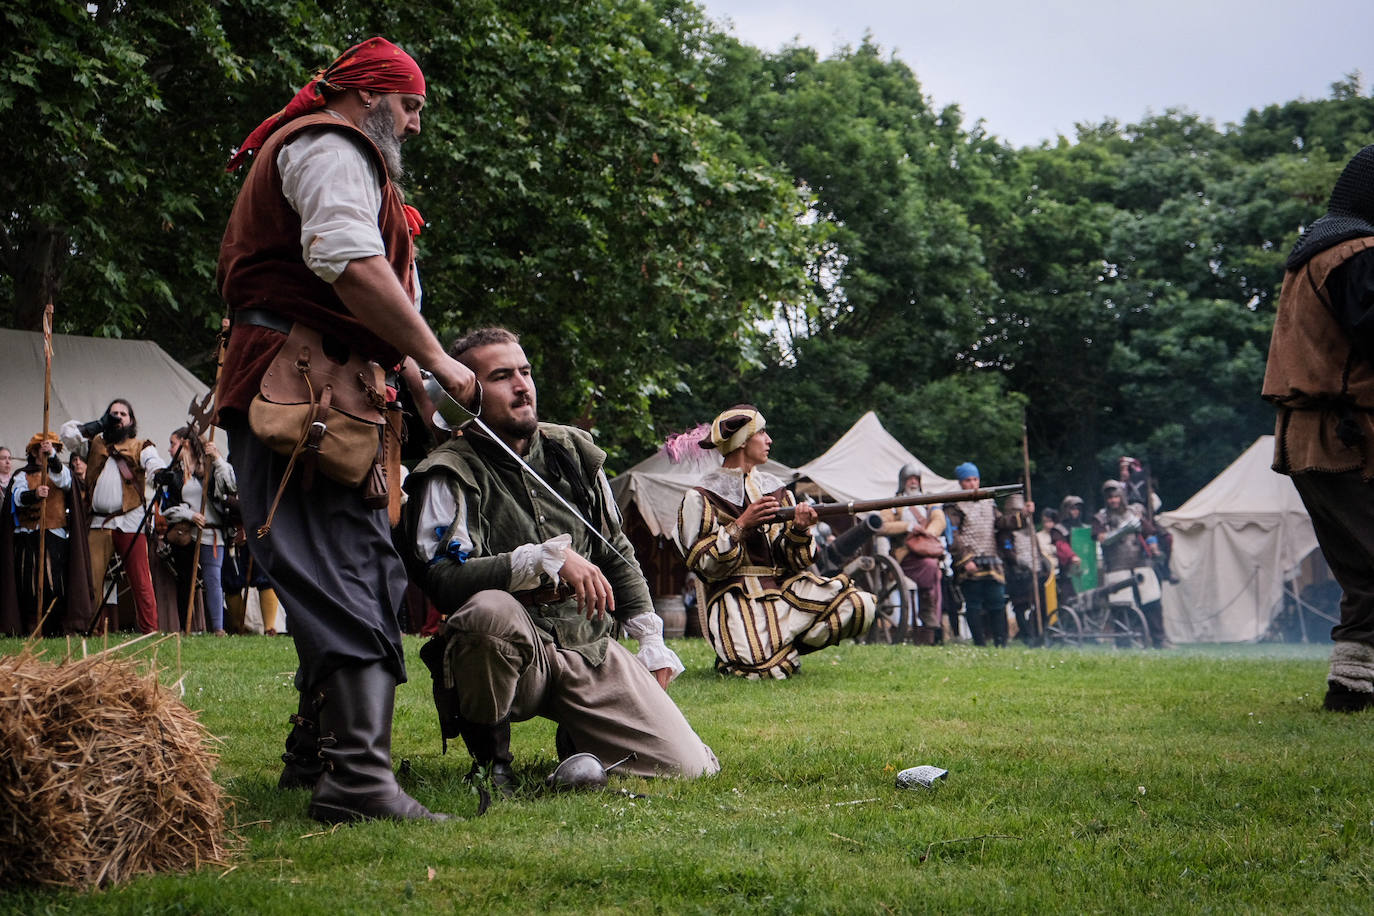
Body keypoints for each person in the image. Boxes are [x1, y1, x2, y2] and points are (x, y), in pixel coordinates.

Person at [216, 36, 477, 823]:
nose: (416, 125)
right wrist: (433, 356)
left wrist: (408, 380)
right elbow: (348, 263)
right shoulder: (331, 144)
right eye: (412, 106)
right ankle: (358, 782)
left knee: (353, 567)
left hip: (333, 389)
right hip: (301, 392)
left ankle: (317, 758)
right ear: (370, 97)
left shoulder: (340, 149)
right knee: (351, 571)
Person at [406, 328, 718, 786]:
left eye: (525, 372)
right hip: (515, 649)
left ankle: (581, 738)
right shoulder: (447, 471)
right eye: (500, 376)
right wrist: (536, 560)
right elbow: (441, 579)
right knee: (486, 613)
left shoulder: (572, 451)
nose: (522, 385)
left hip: (588, 645)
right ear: (463, 393)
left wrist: (649, 634)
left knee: (689, 770)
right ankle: (494, 765)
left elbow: (617, 551)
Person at [1261, 143, 1374, 711]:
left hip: (1314, 436)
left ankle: (1351, 690)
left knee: (1365, 572)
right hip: (1348, 436)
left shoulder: (1320, 251)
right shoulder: (1357, 253)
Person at [679, 406, 874, 679]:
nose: (769, 440)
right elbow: (704, 565)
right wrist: (741, 525)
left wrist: (799, 530)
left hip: (785, 591)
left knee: (860, 605)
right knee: (758, 670)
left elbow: (797, 561)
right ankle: (759, 654)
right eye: (762, 432)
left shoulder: (777, 489)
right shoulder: (701, 497)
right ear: (743, 441)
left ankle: (781, 649)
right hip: (735, 597)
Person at [60, 399, 164, 634]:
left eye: (123, 414)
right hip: (98, 522)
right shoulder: (94, 444)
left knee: (140, 580)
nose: (118, 417)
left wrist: (160, 475)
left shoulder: (141, 446)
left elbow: (154, 463)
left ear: (131, 420)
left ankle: (150, 630)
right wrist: (97, 425)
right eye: (113, 413)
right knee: (91, 580)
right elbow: (67, 436)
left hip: (130, 520)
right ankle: (90, 629)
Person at [157, 427, 237, 636]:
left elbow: (230, 486)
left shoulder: (209, 467)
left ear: (186, 444)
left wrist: (218, 458)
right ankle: (187, 628)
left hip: (212, 533)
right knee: (185, 580)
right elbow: (166, 507)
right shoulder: (174, 475)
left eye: (173, 443)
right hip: (187, 533)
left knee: (213, 580)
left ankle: (218, 628)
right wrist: (189, 515)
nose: (169, 448)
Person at [7, 434, 73, 635]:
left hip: (54, 534)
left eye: (50, 449)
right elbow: (17, 497)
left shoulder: (60, 473)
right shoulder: (21, 475)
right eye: (42, 449)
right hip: (28, 535)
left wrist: (51, 455)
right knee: (29, 584)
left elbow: (65, 481)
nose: (44, 453)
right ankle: (31, 628)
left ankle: (53, 628)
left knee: (53, 583)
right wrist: (35, 495)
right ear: (33, 451)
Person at [1092, 479, 1171, 649]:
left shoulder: (1135, 513)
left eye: (1115, 497)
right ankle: (1123, 643)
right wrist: (1124, 530)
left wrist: (1154, 548)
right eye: (1109, 498)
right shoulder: (1101, 518)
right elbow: (1102, 540)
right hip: (1116, 566)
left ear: (1121, 496)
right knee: (1120, 607)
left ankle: (1159, 640)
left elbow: (1149, 532)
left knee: (1152, 603)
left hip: (1140, 563)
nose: (1113, 500)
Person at [944, 462, 1013, 646]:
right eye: (968, 480)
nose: (973, 483)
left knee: (997, 602)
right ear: (961, 482)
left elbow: (1000, 523)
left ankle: (1001, 644)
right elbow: (953, 536)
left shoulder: (989, 502)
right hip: (969, 561)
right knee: (973, 604)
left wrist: (1021, 516)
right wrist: (965, 559)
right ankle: (980, 644)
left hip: (992, 560)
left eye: (975, 479)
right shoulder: (954, 506)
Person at [879, 464, 945, 643]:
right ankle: (929, 619)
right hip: (905, 556)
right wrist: (907, 527)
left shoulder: (928, 501)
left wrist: (929, 532)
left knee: (935, 571)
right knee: (932, 568)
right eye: (910, 479)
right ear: (903, 481)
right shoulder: (892, 504)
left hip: (927, 550)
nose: (913, 482)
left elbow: (939, 519)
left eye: (916, 479)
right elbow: (882, 526)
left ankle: (929, 630)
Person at [1000, 491, 1048, 644]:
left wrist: (1042, 563)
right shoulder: (1006, 532)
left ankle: (1038, 634)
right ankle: (1027, 636)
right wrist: (1023, 563)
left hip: (1035, 573)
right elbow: (1008, 552)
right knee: (1020, 606)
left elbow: (1036, 549)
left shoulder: (1030, 528)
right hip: (1017, 575)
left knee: (1040, 604)